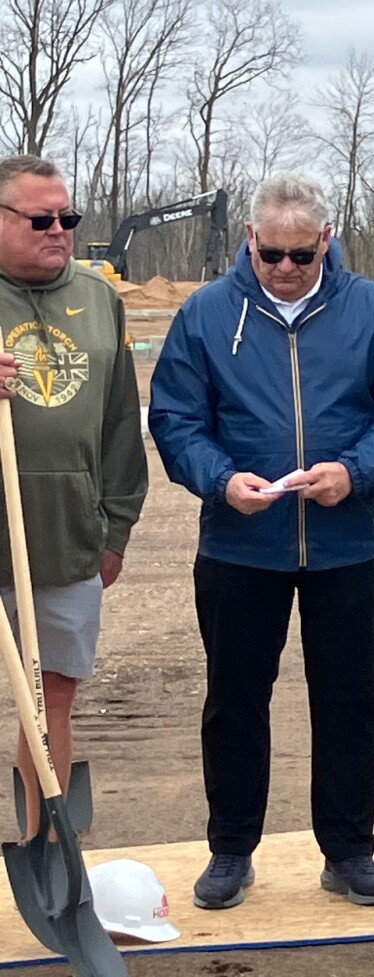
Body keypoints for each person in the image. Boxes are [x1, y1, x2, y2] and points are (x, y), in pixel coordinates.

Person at [149, 173, 374, 910]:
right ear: (250, 240)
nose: (283, 268)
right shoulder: (207, 315)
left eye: (299, 256)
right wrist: (220, 480)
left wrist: (356, 470)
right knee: (235, 699)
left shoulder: (373, 310)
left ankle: (348, 849)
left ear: (326, 242)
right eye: (271, 253)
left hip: (346, 545)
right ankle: (230, 848)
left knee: (347, 700)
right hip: (240, 546)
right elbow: (177, 417)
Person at [0, 155, 147, 838]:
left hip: (62, 539)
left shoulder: (101, 298)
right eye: (41, 218)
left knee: (47, 697)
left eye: (68, 217)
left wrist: (113, 529)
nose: (59, 229)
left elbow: (123, 423)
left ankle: (43, 848)